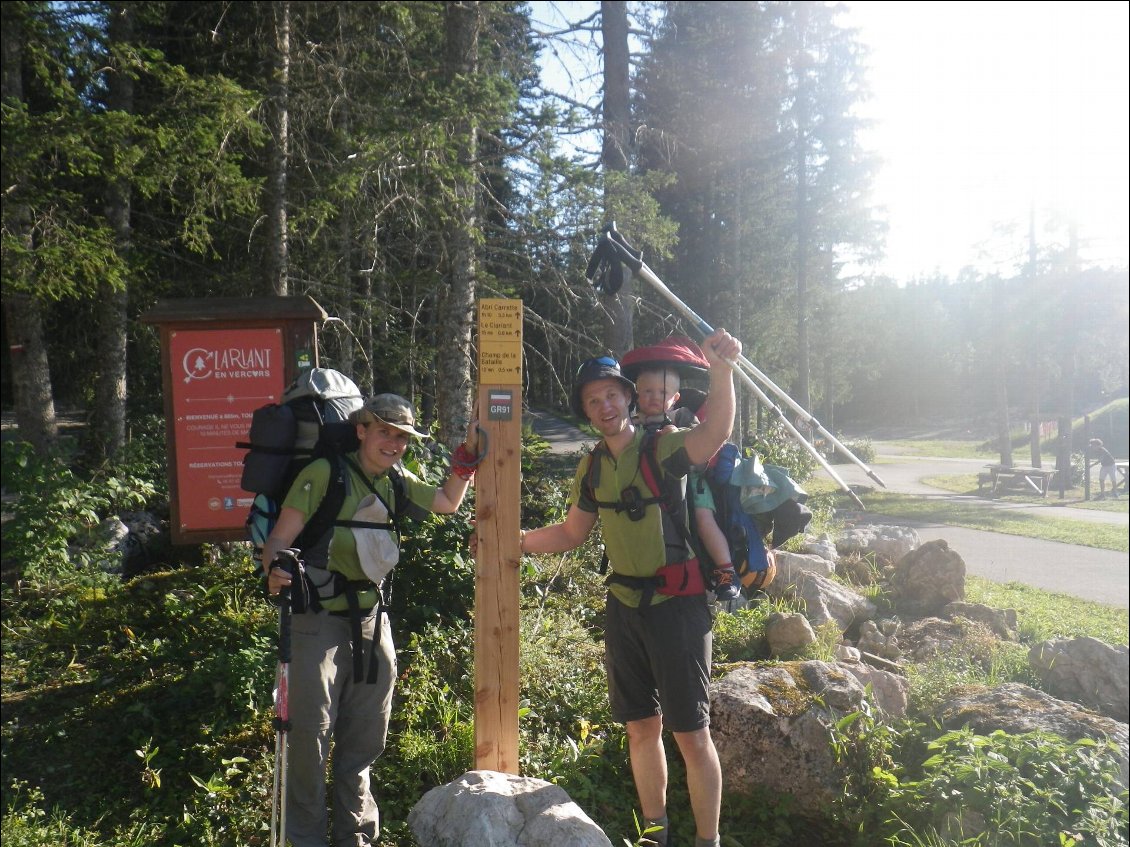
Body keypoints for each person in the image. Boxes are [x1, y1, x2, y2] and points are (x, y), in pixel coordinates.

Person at [519, 328, 742, 847]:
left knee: (692, 734)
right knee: (641, 728)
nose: (603, 405)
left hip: (679, 608)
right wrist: (514, 542)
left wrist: (722, 372)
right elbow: (573, 533)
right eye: (592, 400)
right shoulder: (593, 464)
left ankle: (706, 841)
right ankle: (654, 835)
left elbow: (713, 437)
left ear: (628, 396)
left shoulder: (662, 445)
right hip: (623, 607)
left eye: (611, 395)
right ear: (586, 409)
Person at [262, 393, 481, 847]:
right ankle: (305, 840)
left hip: (371, 620)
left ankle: (356, 838)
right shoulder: (324, 473)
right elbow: (279, 537)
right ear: (361, 430)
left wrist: (466, 458)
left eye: (402, 436)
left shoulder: (396, 480)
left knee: (364, 740)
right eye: (384, 432)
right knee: (309, 741)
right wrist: (274, 568)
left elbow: (445, 502)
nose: (394, 443)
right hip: (315, 620)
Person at [632, 365, 739, 602]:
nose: (655, 397)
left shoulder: (682, 416)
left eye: (663, 392)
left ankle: (726, 570)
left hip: (692, 483)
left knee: (703, 520)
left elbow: (702, 442)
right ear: (637, 393)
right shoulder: (632, 424)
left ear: (675, 397)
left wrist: (676, 431)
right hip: (654, 486)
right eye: (648, 391)